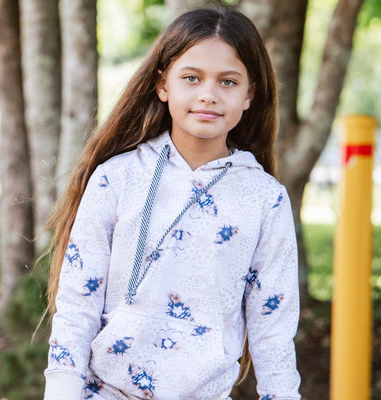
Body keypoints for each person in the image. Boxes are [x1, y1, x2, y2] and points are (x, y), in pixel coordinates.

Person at [43, 7, 301, 400]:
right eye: (191, 77)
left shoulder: (266, 199)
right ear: (163, 84)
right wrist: (61, 392)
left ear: (249, 94)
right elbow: (79, 301)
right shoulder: (117, 177)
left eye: (228, 81)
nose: (208, 94)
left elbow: (274, 329)